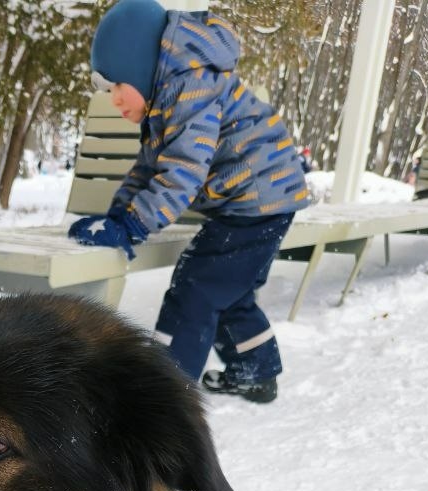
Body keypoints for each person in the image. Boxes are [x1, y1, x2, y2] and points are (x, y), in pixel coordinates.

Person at [69, 0, 311, 404]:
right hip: (258, 201)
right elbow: (148, 169)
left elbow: (182, 172)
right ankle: (256, 372)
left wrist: (132, 226)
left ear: (140, 68)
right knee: (226, 291)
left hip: (256, 200)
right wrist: (117, 215)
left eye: (115, 85)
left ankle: (164, 399)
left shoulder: (189, 90)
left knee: (195, 289)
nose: (112, 99)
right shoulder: (168, 97)